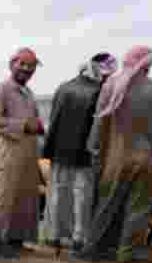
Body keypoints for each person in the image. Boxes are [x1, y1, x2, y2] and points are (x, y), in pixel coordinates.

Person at [73, 45, 152, 263]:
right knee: (139, 206)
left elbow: (99, 122)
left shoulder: (111, 85)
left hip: (116, 158)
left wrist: (94, 149)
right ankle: (128, 252)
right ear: (147, 63)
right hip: (147, 158)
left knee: (106, 204)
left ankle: (94, 248)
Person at [40, 52, 118, 251]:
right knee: (82, 195)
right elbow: (100, 127)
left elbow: (54, 120)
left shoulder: (63, 87)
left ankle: (54, 234)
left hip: (59, 151)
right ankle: (79, 236)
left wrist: (48, 149)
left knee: (57, 193)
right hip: (85, 152)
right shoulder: (100, 91)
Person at [0, 47, 45, 258]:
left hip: (25, 156)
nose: (26, 69)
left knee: (22, 199)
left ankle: (15, 240)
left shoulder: (29, 94)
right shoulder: (1, 89)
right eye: (22, 64)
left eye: (31, 66)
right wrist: (23, 125)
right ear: (12, 65)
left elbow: (33, 122)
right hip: (4, 156)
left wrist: (38, 126)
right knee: (1, 200)